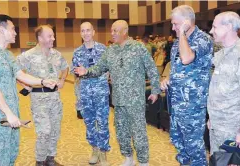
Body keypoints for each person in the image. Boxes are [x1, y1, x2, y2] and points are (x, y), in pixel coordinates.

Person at [74, 20, 160, 166]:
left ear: (124, 32)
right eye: (112, 30)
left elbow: (151, 69)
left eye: (115, 31)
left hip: (135, 100)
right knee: (121, 131)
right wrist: (86, 71)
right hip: (118, 100)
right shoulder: (111, 50)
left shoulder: (138, 48)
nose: (112, 33)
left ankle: (143, 161)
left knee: (138, 132)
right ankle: (128, 158)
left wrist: (155, 90)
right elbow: (99, 68)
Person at [0, 15, 56, 166]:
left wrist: (42, 81)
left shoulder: (8, 54)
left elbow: (21, 75)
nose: (15, 33)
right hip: (0, 116)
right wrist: (8, 114)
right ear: (1, 30)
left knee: (12, 154)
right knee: (1, 157)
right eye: (12, 29)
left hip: (13, 114)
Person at [160, 5, 213, 166]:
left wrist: (182, 33)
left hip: (193, 105)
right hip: (176, 103)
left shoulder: (203, 39)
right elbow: (178, 67)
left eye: (176, 24)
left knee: (194, 147)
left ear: (187, 22)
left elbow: (187, 58)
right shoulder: (176, 43)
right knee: (179, 143)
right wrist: (168, 78)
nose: (173, 27)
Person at [207, 11, 240, 155]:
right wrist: (212, 118)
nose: (211, 31)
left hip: (232, 129)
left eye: (214, 27)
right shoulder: (221, 53)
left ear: (228, 27)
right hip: (216, 126)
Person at [16, 25, 68, 166]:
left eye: (53, 35)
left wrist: (62, 79)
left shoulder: (56, 54)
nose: (53, 38)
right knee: (44, 132)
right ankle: (40, 161)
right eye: (50, 36)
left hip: (55, 99)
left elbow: (65, 67)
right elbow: (13, 69)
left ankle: (50, 159)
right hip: (39, 99)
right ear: (40, 38)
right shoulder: (29, 55)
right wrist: (24, 83)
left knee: (55, 131)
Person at [70, 22, 110, 166]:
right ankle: (94, 149)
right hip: (85, 94)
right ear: (80, 33)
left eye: (88, 30)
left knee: (103, 123)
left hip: (101, 93)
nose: (86, 33)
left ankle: (103, 152)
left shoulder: (103, 49)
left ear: (93, 32)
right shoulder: (77, 52)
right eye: (83, 31)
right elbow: (75, 75)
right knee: (90, 124)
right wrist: (78, 97)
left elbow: (108, 70)